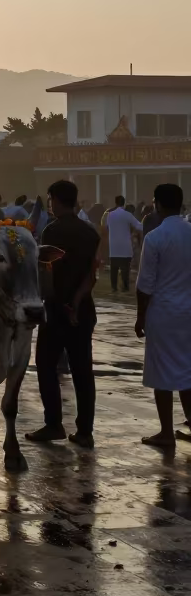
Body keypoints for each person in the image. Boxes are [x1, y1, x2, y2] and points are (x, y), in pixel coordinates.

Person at [26, 179, 100, 449]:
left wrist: (61, 304)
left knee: (46, 365)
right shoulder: (90, 232)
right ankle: (85, 431)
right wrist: (77, 302)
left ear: (56, 200)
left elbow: (49, 275)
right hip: (83, 309)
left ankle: (54, 423)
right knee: (83, 371)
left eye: (50, 200)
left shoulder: (52, 232)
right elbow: (92, 274)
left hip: (57, 310)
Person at [135, 184, 191, 448]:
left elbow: (145, 284)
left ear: (157, 204)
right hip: (188, 310)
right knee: (187, 371)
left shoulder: (155, 237)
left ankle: (167, 432)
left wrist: (140, 316)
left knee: (163, 374)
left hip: (164, 311)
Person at [105, 194, 142, 292]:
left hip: (113, 247)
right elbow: (139, 226)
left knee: (114, 269)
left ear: (115, 202)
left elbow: (107, 227)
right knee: (125, 269)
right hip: (125, 247)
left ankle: (114, 287)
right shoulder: (127, 215)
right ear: (124, 203)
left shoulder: (110, 215)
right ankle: (125, 287)